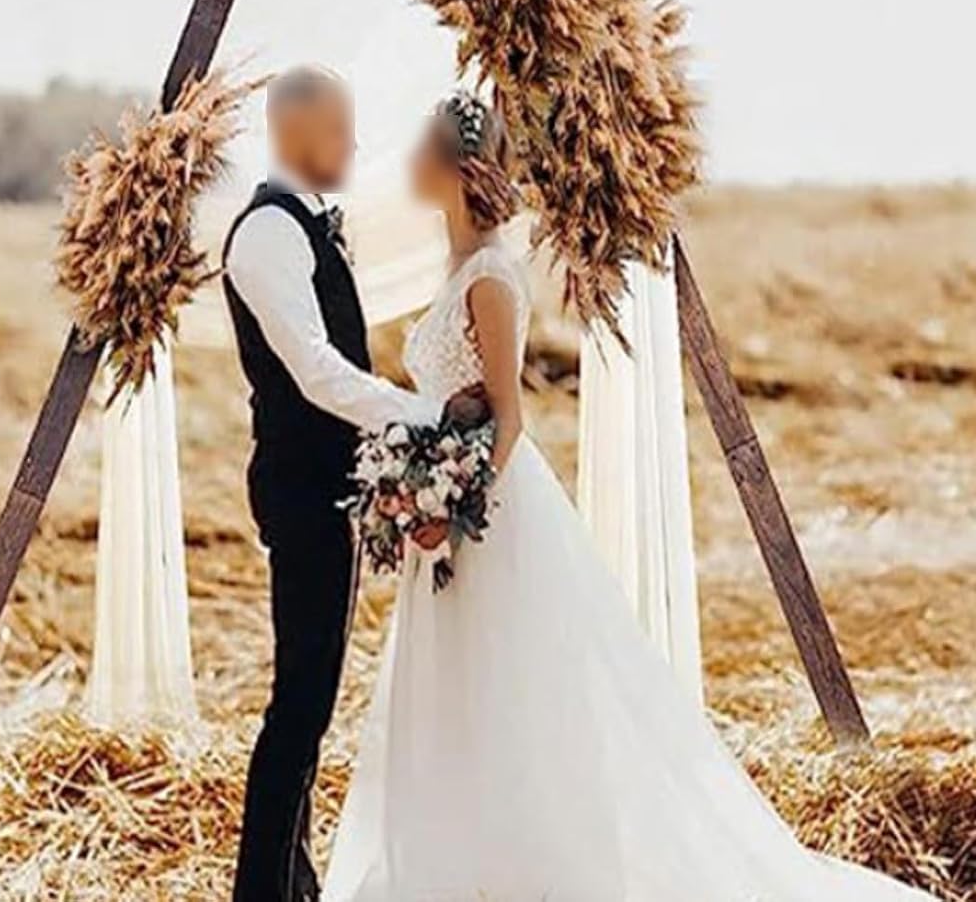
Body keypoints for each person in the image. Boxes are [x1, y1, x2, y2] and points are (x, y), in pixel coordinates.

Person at [321, 89, 935, 902]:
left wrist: (451, 508)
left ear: (457, 167)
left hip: (485, 512)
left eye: (419, 148)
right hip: (448, 510)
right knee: (459, 689)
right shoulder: (456, 264)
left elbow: (509, 417)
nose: (405, 163)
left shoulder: (491, 278)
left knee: (504, 682)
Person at [223, 65, 439, 902]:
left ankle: (295, 882)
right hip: (300, 488)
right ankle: (262, 891)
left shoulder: (307, 225)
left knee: (312, 698)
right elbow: (315, 370)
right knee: (300, 705)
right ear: (295, 132)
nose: (353, 145)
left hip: (325, 486)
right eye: (339, 129)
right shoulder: (268, 234)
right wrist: (416, 415)